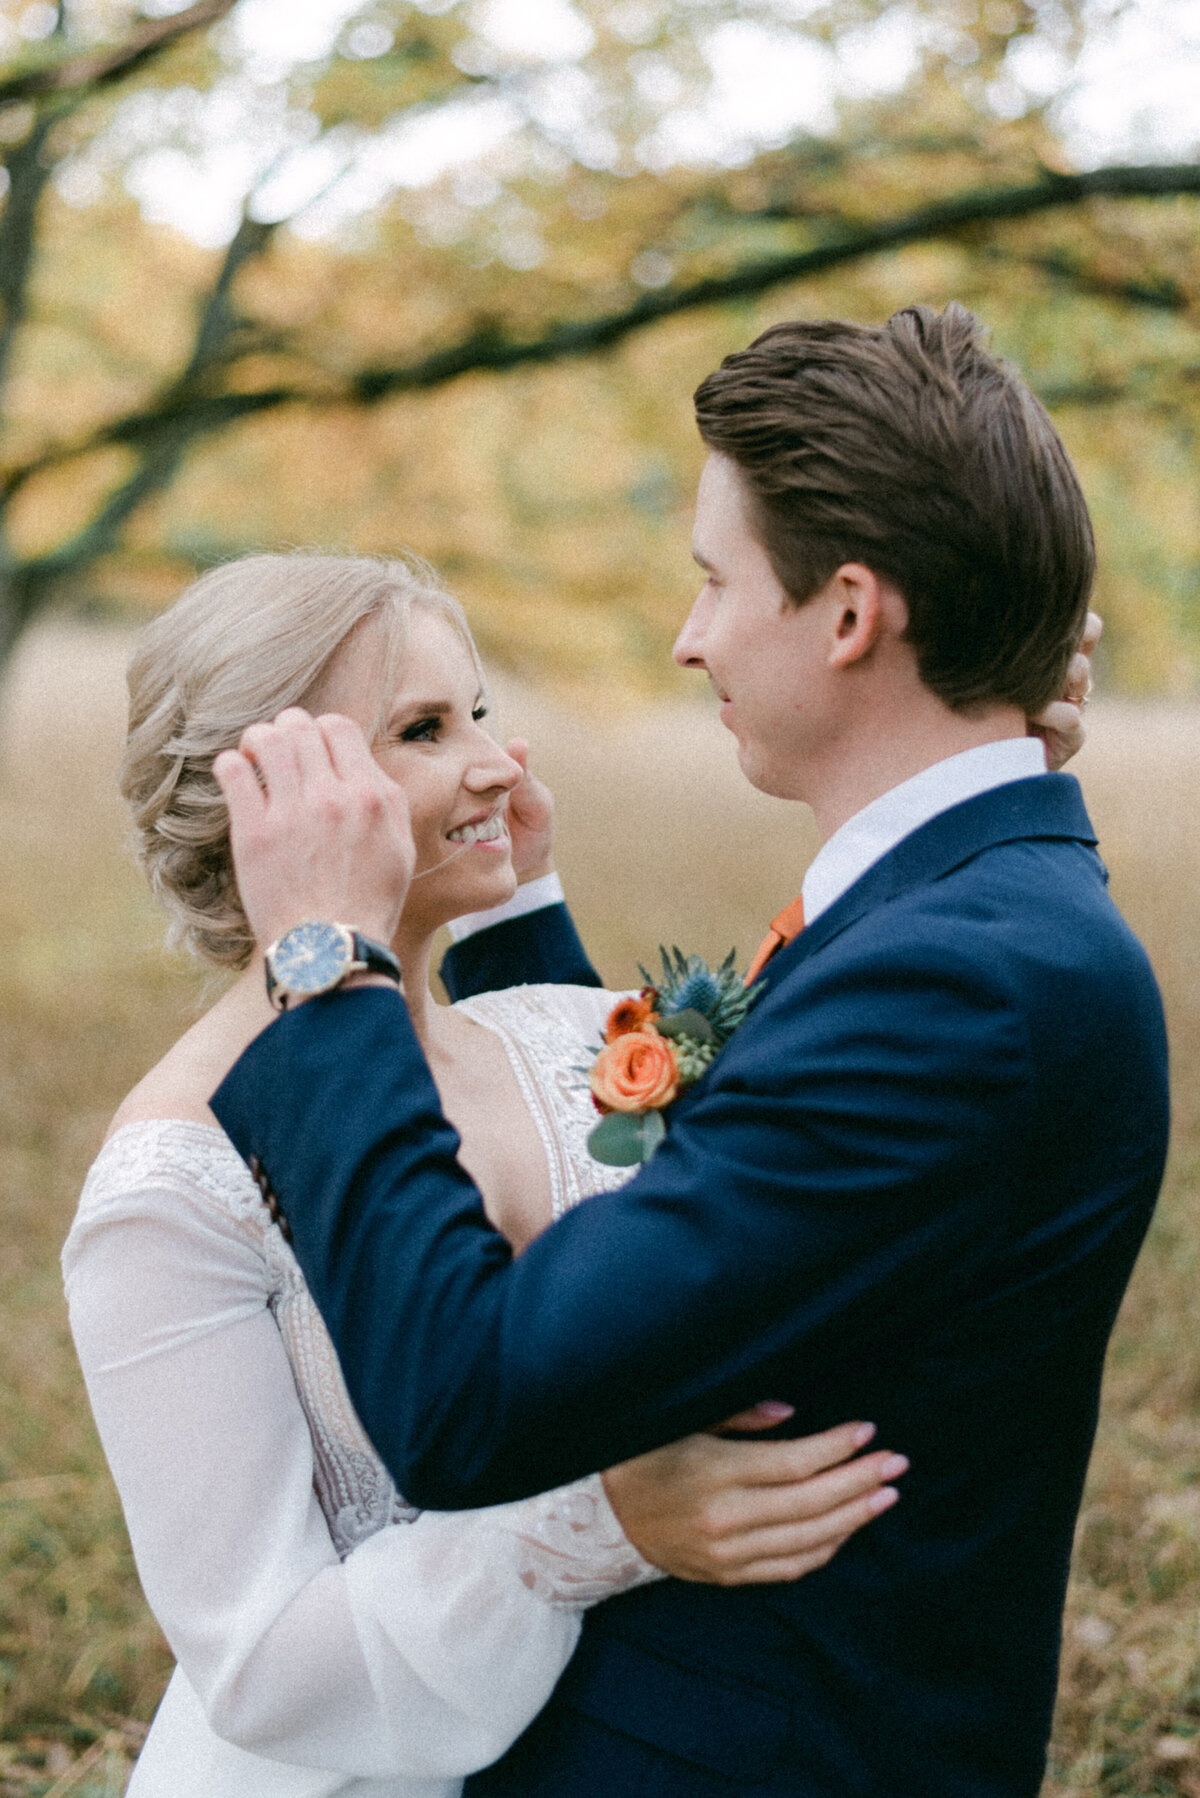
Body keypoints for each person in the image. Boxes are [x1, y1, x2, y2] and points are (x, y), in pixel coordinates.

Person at [208, 303, 1169, 1798]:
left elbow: (472, 1396)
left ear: (850, 615)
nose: (688, 633)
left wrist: (327, 964)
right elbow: (704, 1216)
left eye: (718, 580)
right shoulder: (977, 903)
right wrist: (521, 925)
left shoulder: (960, 982)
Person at [63, 553, 908, 1798]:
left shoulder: (568, 1034)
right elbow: (258, 1666)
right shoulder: (171, 1183)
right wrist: (599, 1528)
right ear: (271, 802)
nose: (499, 765)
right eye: (420, 729)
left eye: (480, 714)